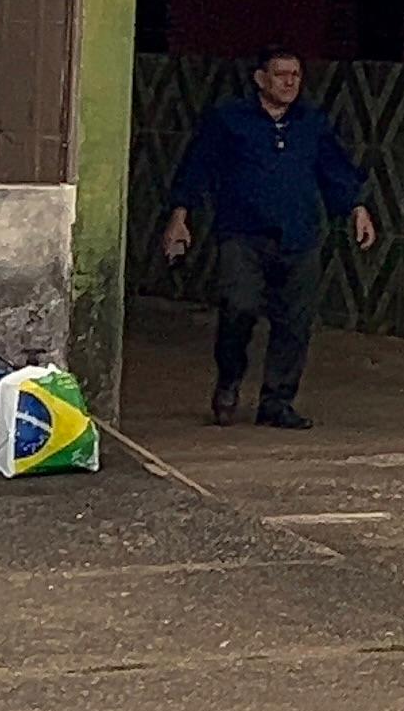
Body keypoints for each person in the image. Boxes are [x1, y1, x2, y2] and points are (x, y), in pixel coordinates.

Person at [157, 47, 374, 428]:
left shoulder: (311, 123)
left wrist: (356, 208)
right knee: (238, 307)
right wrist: (180, 216)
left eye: (295, 75)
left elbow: (335, 169)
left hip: (300, 236)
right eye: (280, 74)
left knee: (295, 322)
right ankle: (229, 380)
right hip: (242, 234)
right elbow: (198, 167)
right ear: (260, 79)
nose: (289, 82)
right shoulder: (229, 120)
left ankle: (277, 401)